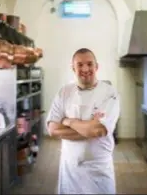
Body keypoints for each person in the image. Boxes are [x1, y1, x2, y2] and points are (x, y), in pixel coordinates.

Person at [46, 48, 120, 194]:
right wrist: (89, 126)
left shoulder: (110, 93)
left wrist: (68, 121)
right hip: (70, 170)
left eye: (89, 64)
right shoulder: (64, 92)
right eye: (80, 65)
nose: (85, 69)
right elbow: (52, 129)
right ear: (73, 68)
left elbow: (98, 130)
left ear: (96, 66)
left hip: (98, 171)